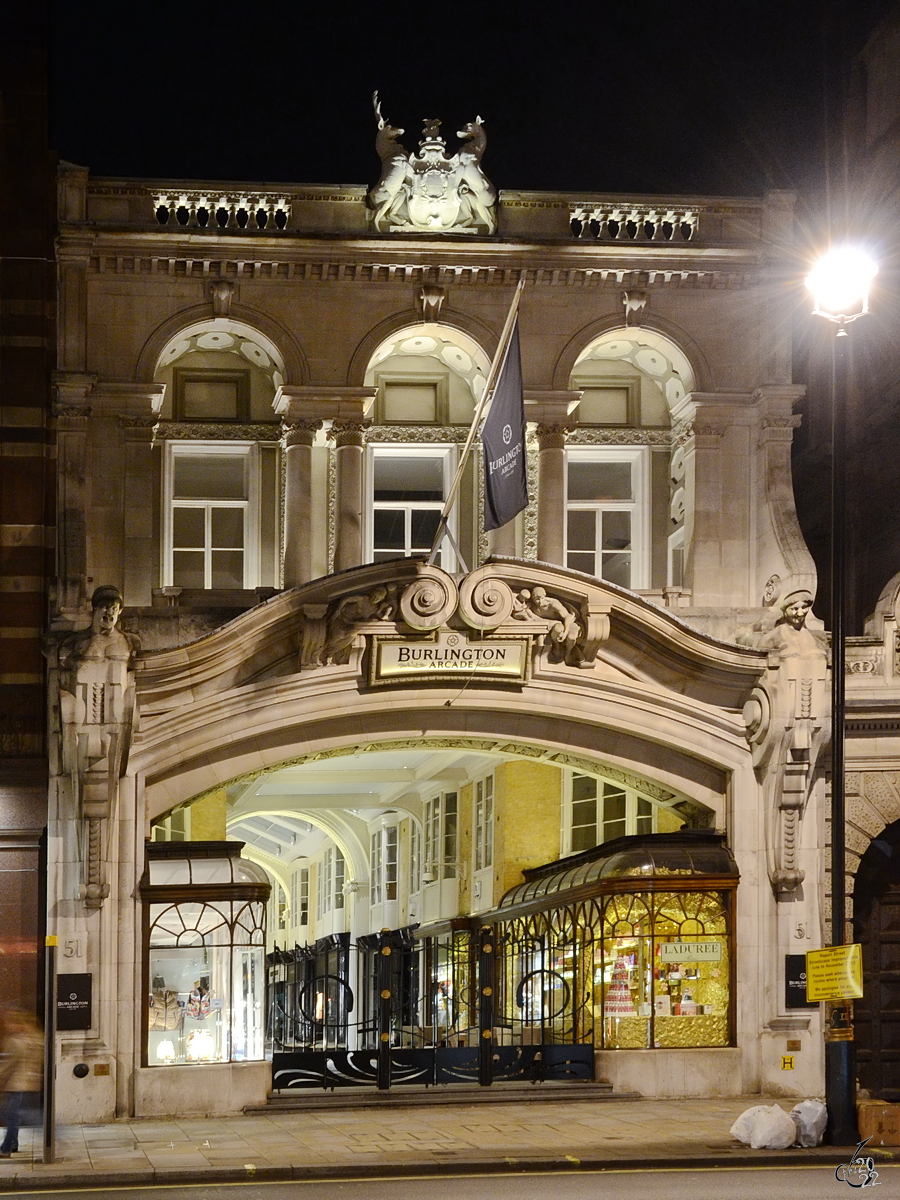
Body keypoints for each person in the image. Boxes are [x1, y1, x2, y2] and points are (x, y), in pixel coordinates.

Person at [0, 1009, 43, 1157]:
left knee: (13, 1116)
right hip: (29, 1084)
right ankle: (12, 1144)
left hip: (17, 1084)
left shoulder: (16, 1041)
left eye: (8, 1022)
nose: (6, 1025)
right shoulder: (34, 1037)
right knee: (17, 1115)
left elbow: (9, 1064)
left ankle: (5, 1149)